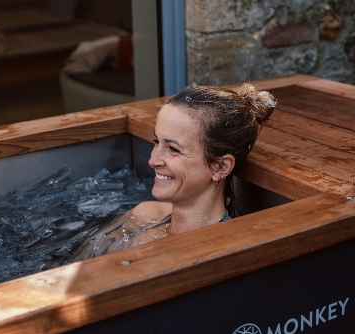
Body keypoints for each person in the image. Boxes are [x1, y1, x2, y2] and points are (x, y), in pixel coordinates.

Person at [72, 83, 276, 260]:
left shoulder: (223, 253)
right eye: (156, 142)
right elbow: (75, 270)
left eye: (173, 149)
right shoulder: (142, 216)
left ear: (219, 167)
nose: (152, 160)